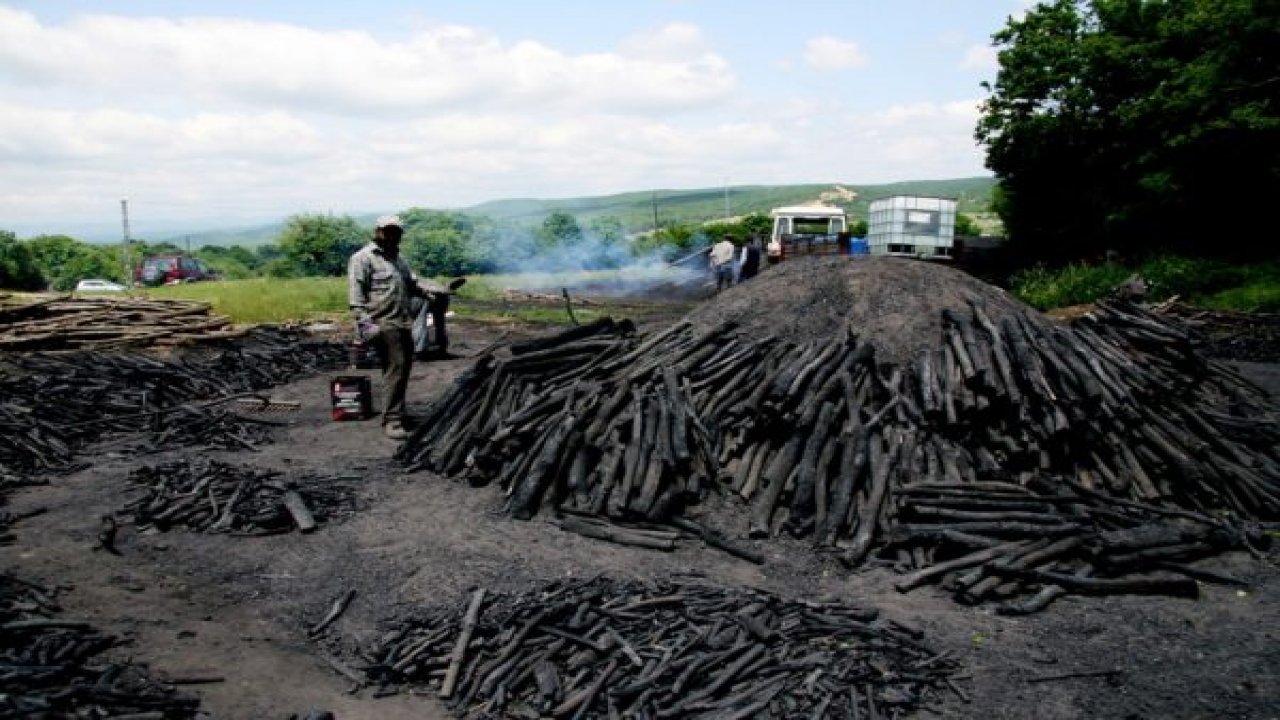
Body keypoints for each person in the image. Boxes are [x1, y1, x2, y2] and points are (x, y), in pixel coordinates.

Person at [347, 215, 431, 440]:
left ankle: (396, 412)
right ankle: (393, 420)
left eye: (396, 231)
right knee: (397, 368)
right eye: (388, 230)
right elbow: (356, 299)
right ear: (378, 232)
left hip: (402, 321)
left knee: (399, 370)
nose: (393, 234)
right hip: (381, 323)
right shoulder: (363, 258)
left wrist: (430, 293)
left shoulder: (398, 259)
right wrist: (366, 327)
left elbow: (410, 285)